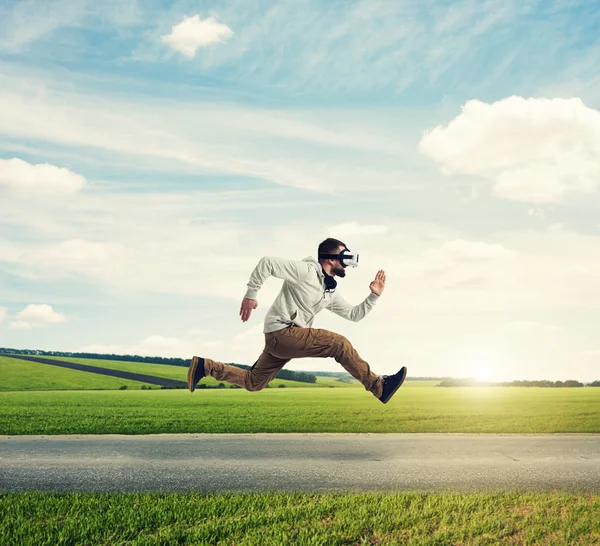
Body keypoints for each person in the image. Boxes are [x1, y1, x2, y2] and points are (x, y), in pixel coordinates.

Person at [187, 238, 407, 403]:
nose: (347, 265)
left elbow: (354, 315)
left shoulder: (328, 291)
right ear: (331, 259)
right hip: (283, 333)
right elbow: (267, 263)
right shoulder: (307, 271)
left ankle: (204, 367)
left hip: (282, 340)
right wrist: (251, 295)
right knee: (339, 344)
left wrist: (374, 296)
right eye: (344, 258)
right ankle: (379, 387)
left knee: (254, 382)